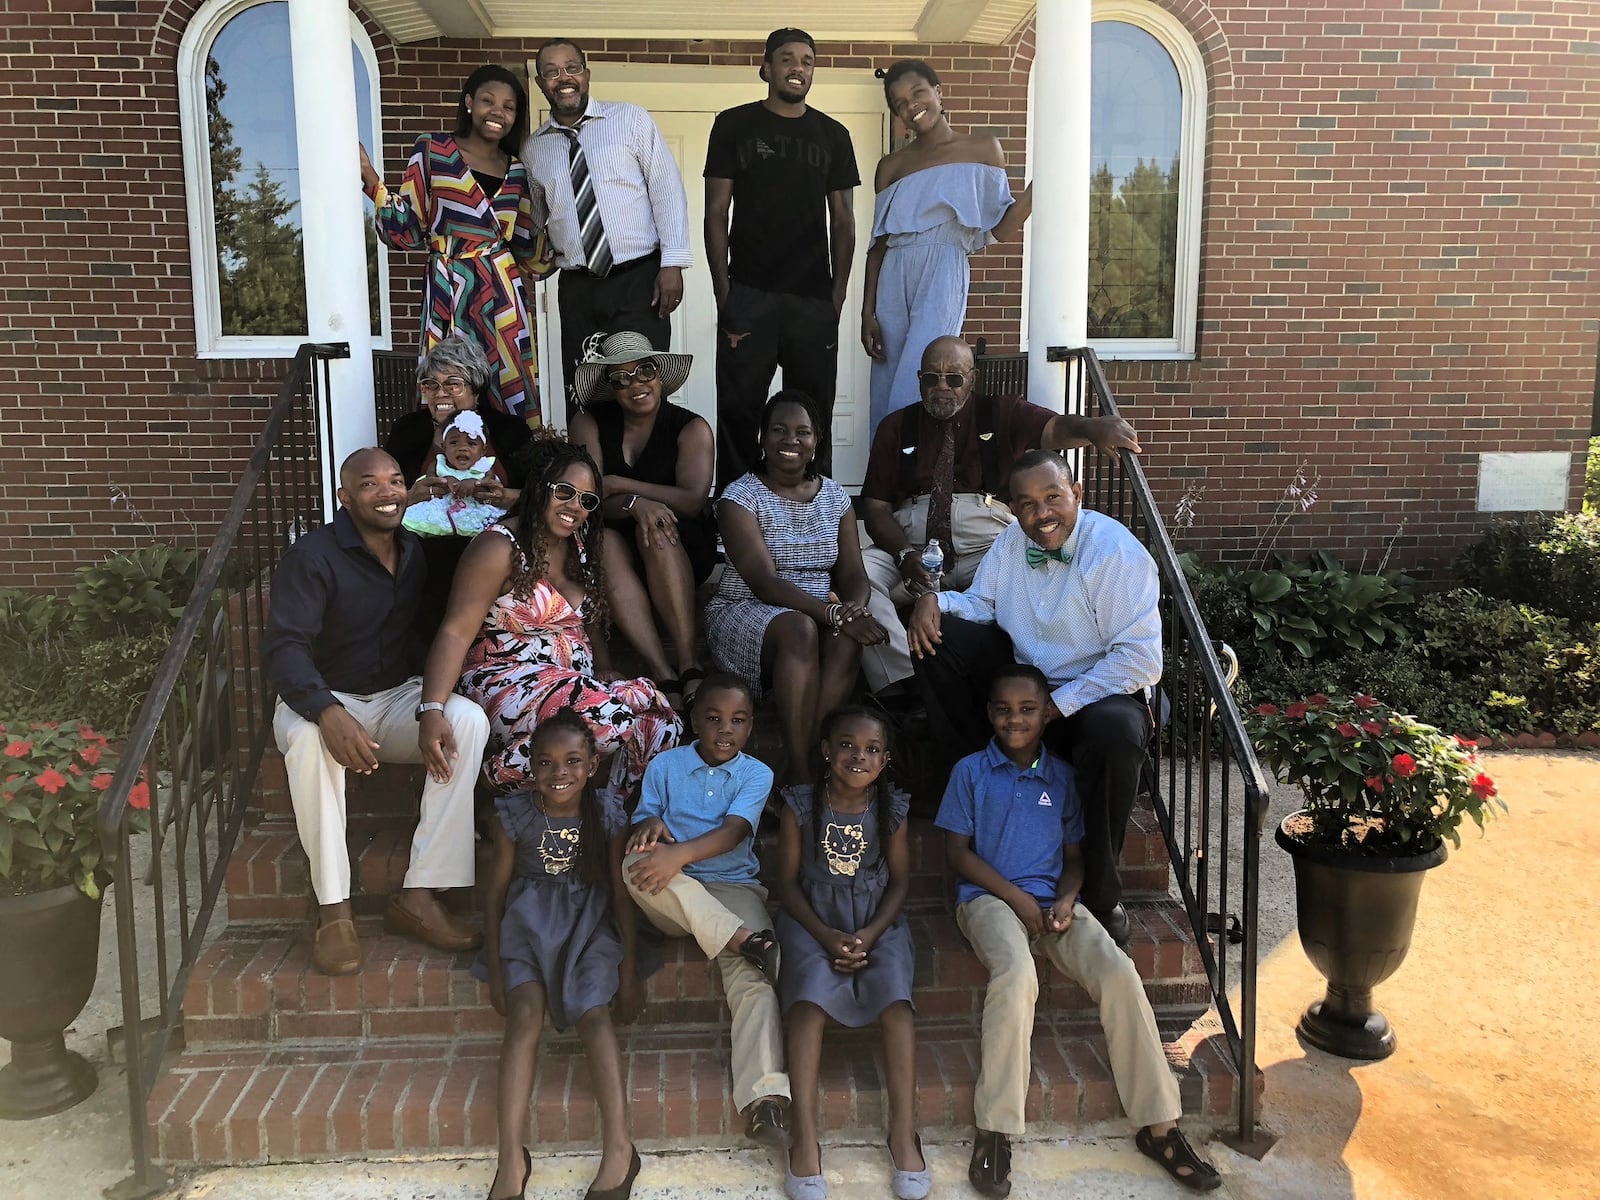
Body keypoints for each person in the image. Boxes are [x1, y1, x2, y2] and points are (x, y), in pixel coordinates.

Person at [934, 664, 1219, 1196]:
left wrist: (1066, 900)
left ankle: (1160, 1126)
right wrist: (1016, 898)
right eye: (1003, 709)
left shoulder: (1062, 777)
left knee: (1118, 971)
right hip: (989, 901)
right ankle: (995, 1129)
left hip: (1053, 904)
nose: (1014, 719)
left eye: (1027, 709)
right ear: (989, 714)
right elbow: (956, 854)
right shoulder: (971, 771)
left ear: (1048, 714)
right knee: (1018, 975)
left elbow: (1074, 859)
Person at [908, 450, 1161, 948]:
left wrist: (1060, 704)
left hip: (1099, 692)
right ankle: (976, 780)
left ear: (1078, 496)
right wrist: (932, 601)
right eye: (1026, 504)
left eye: (1052, 498)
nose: (1041, 514)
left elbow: (1138, 662)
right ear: (1013, 509)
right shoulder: (1010, 543)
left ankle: (1102, 894)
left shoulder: (1113, 553)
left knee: (1116, 730)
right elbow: (982, 604)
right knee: (938, 641)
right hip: (1033, 689)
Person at [263, 448, 488, 978]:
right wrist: (325, 710)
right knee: (309, 743)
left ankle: (423, 890)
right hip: (319, 697)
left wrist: (431, 704)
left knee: (468, 721)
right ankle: (334, 911)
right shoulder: (312, 557)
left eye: (396, 480)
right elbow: (284, 648)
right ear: (344, 497)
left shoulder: (412, 551)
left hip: (392, 697)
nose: (388, 492)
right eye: (370, 484)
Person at [856, 334, 1142, 694]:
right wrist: (903, 554)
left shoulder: (1003, 412)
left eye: (953, 378)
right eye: (931, 378)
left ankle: (1026, 684)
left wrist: (1092, 427)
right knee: (857, 574)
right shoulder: (896, 427)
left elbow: (1053, 429)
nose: (941, 387)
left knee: (1032, 581)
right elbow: (876, 507)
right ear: (919, 380)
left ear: (972, 379)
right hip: (914, 549)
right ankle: (904, 683)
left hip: (988, 546)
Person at [419, 438, 681, 806]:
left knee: (661, 722)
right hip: (504, 681)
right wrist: (433, 708)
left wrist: (603, 666)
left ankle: (612, 812)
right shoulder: (499, 548)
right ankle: (489, 780)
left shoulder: (581, 548)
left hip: (572, 689)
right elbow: (454, 631)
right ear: (541, 486)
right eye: (565, 492)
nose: (575, 506)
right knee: (609, 716)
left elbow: (583, 622)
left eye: (587, 500)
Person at [478, 711, 644, 1200]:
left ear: (593, 764)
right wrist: (493, 969)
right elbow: (493, 897)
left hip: (589, 926)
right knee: (525, 1017)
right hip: (527, 926)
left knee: (594, 1015)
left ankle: (619, 1149)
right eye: (546, 762)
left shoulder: (608, 812)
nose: (560, 773)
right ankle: (510, 1157)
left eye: (573, 761)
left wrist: (629, 971)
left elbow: (620, 894)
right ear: (531, 766)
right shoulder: (517, 815)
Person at [622, 676, 791, 1150]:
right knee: (632, 865)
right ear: (694, 721)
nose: (724, 730)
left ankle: (766, 1100)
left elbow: (735, 832)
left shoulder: (756, 774)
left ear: (751, 726)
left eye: (738, 721)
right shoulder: (666, 764)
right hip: (673, 895)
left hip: (733, 887)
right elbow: (645, 822)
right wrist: (651, 824)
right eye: (713, 718)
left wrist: (679, 854)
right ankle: (746, 942)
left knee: (754, 981)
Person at [775, 706, 926, 1200]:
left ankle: (903, 1131)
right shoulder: (801, 805)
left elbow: (901, 881)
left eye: (872, 750)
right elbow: (788, 886)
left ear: (885, 760)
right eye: (847, 745)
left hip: (877, 920)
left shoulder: (892, 810)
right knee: (809, 1005)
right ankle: (804, 1138)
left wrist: (871, 933)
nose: (858, 756)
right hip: (812, 919)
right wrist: (824, 935)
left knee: (897, 1003)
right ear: (825, 750)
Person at [704, 391, 894, 783]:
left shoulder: (836, 497)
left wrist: (852, 611)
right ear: (762, 438)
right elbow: (764, 583)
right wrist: (834, 612)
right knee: (800, 627)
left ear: (816, 441)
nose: (790, 440)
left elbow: (854, 574)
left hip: (819, 612)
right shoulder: (738, 497)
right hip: (747, 609)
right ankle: (803, 765)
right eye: (779, 430)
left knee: (845, 637)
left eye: (802, 432)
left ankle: (803, 760)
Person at [704, 28, 859, 484]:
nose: (798, 67)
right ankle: (734, 514)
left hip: (812, 299)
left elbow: (844, 220)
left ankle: (816, 511)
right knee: (738, 411)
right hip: (748, 294)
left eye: (807, 60)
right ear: (766, 68)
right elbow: (716, 212)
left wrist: (837, 296)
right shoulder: (734, 125)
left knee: (814, 414)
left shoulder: (833, 134)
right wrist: (724, 291)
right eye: (787, 58)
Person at [361, 65, 550, 422]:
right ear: (468, 103)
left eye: (509, 107)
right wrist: (372, 181)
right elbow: (408, 230)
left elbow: (527, 246)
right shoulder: (433, 150)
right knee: (448, 381)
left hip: (504, 293)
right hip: (449, 284)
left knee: (509, 386)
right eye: (488, 101)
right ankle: (447, 468)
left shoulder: (518, 170)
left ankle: (513, 466)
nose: (498, 112)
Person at [522, 38, 692, 416]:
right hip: (578, 287)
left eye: (571, 68)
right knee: (584, 390)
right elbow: (536, 216)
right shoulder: (535, 149)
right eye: (550, 72)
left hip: (639, 280)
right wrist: (536, 254)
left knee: (640, 389)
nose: (562, 78)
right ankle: (591, 473)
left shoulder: (629, 119)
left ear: (586, 73)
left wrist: (672, 264)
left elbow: (666, 190)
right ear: (540, 84)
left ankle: (646, 472)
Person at [861, 60, 1033, 433]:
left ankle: (919, 475)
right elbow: (877, 246)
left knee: (926, 370)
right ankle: (886, 473)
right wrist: (867, 312)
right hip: (894, 269)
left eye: (918, 93)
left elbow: (998, 229)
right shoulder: (891, 166)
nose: (911, 105)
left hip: (944, 264)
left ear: (938, 92)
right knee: (888, 378)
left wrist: (1040, 190)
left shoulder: (983, 148)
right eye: (899, 102)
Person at [569, 331, 714, 709]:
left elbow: (692, 499)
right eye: (621, 378)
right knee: (605, 543)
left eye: (644, 371)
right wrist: (634, 504)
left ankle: (688, 664)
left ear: (660, 375)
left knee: (659, 527)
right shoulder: (589, 422)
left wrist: (622, 486)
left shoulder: (690, 426)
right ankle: (661, 670)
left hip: (679, 543)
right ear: (610, 387)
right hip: (613, 537)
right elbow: (588, 495)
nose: (636, 384)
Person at [384, 335, 536, 642]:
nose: (441, 394)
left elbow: (539, 497)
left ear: (476, 389)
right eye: (430, 384)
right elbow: (384, 495)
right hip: (422, 543)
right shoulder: (408, 430)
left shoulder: (510, 431)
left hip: (493, 541)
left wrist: (504, 497)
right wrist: (411, 496)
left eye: (453, 384)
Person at [401, 411, 509, 538]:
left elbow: (488, 485)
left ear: (483, 450)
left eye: (471, 443)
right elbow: (430, 480)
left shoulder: (484, 466)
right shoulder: (439, 463)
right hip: (442, 510)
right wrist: (444, 481)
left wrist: (474, 483)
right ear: (444, 446)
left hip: (472, 510)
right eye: (454, 443)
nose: (462, 448)